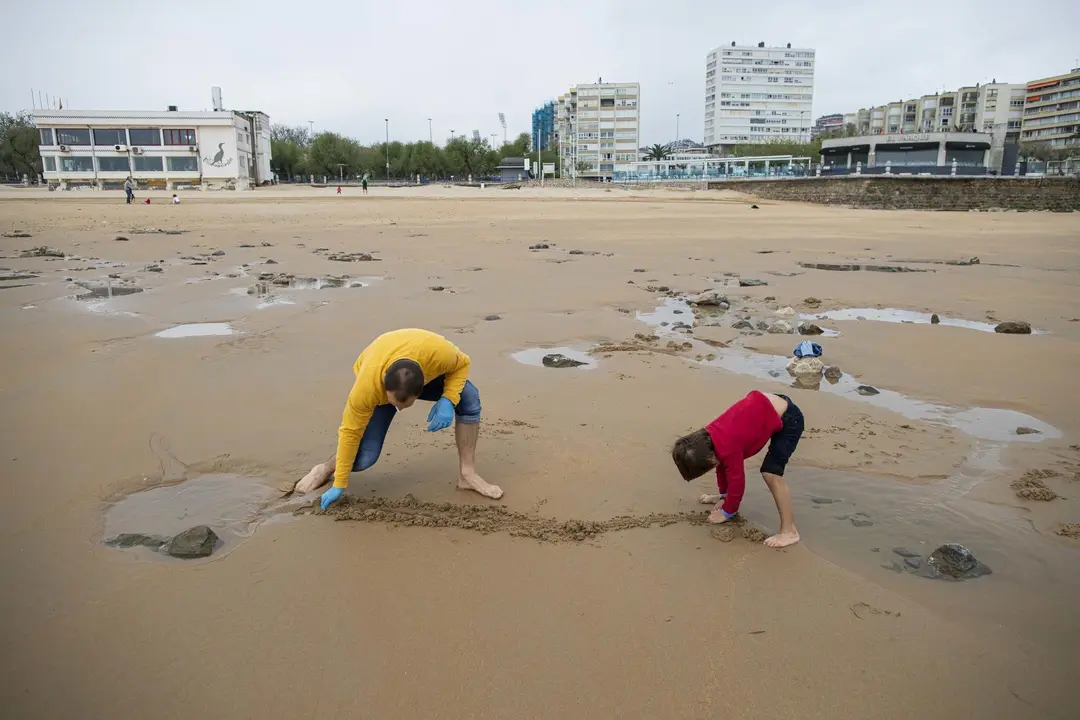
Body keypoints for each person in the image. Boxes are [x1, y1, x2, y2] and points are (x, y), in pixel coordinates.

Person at [294, 328, 503, 509]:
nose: (399, 409)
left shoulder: (440, 355)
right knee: (365, 458)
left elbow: (463, 363)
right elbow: (350, 432)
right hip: (377, 367)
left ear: (423, 388)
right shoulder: (367, 389)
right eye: (394, 403)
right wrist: (340, 483)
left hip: (422, 359)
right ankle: (325, 467)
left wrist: (448, 399)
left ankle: (467, 475)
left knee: (469, 398)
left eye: (404, 405)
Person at [671, 390, 804, 548]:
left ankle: (789, 531)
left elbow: (737, 481)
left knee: (771, 473)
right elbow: (721, 467)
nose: (711, 468)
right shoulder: (710, 438)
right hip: (768, 406)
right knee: (725, 463)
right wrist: (724, 496)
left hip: (789, 419)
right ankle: (725, 496)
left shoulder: (729, 447)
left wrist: (728, 511)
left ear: (709, 458)